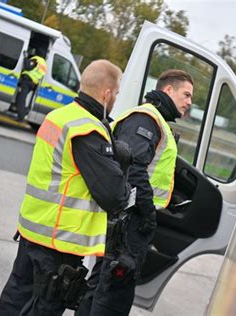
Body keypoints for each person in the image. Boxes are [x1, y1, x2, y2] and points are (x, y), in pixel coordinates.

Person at [0, 59, 132, 315]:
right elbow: (114, 195)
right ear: (107, 94)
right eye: (117, 94)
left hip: (33, 230)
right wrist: (121, 163)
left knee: (15, 298)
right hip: (58, 243)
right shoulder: (87, 130)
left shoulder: (59, 116)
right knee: (43, 308)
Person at [77, 69, 194, 315]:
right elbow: (134, 170)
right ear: (168, 90)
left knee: (102, 285)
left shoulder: (156, 120)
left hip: (129, 217)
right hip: (130, 221)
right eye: (186, 94)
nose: (189, 102)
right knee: (113, 296)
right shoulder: (146, 119)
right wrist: (147, 212)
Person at [15, 49, 47, 121]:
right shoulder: (44, 63)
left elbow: (28, 66)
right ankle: (23, 113)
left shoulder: (36, 60)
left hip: (27, 82)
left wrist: (26, 57)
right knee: (21, 98)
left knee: (21, 99)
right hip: (32, 83)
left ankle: (21, 116)